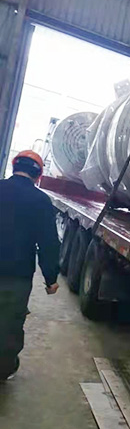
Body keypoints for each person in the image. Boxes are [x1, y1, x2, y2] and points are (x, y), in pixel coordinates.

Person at [0, 150, 60, 380]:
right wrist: (51, 279)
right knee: (9, 324)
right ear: (38, 176)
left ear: (14, 167)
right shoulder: (40, 201)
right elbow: (48, 243)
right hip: (17, 276)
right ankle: (4, 369)